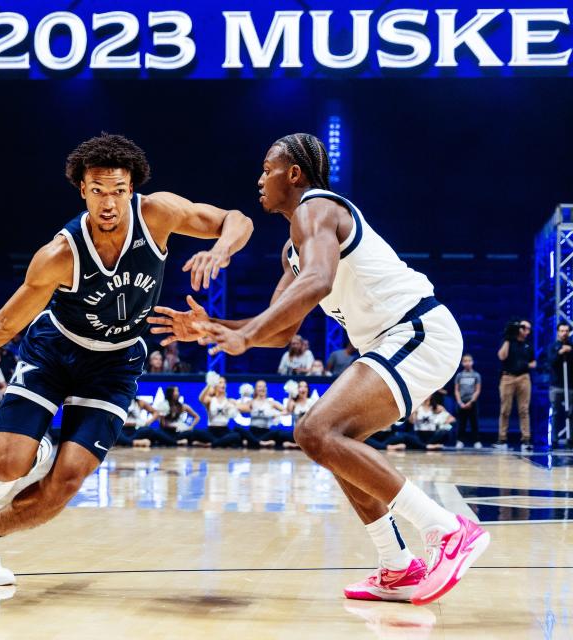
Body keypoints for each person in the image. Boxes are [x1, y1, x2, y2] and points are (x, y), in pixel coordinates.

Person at [149, 132, 488, 606]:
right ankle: (397, 566)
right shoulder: (294, 249)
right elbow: (280, 330)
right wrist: (211, 327)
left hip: (417, 330)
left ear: (294, 174)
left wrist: (243, 337)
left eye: (268, 168)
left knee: (316, 430)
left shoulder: (317, 207)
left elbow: (318, 280)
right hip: (393, 341)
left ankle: (448, 530)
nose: (259, 177)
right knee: (335, 443)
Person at [0, 132, 253, 585]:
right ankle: (34, 449)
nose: (109, 203)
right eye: (98, 191)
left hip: (115, 364)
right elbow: (4, 325)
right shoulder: (59, 255)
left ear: (131, 190)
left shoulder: (157, 215)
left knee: (67, 483)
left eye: (118, 191)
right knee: (7, 467)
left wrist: (220, 248)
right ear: (82, 189)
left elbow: (238, 219)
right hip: (55, 352)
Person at [494, 319, 535, 451]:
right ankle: (502, 439)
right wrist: (507, 337)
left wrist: (525, 365)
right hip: (508, 377)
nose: (525, 330)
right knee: (505, 410)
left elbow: (534, 363)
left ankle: (526, 439)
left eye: (527, 328)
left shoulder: (528, 345)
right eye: (522, 327)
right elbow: (501, 356)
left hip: (523, 377)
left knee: (524, 409)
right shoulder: (508, 342)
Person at [194, 373, 243, 448]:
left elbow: (242, 408)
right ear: (215, 385)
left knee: (237, 436)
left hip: (224, 430)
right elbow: (201, 399)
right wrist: (209, 385)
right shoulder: (211, 400)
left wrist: (235, 407)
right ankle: (222, 443)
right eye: (220, 382)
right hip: (211, 430)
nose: (223, 384)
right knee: (196, 432)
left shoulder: (230, 401)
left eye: (224, 383)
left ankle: (211, 444)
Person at [234, 380, 285, 447]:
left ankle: (252, 442)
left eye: (264, 386)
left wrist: (276, 414)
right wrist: (243, 396)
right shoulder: (251, 402)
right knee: (237, 428)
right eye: (260, 387)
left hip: (266, 432)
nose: (262, 388)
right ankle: (260, 443)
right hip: (253, 431)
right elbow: (239, 408)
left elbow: (286, 410)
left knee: (277, 432)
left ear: (266, 389)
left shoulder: (271, 403)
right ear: (255, 389)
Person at [547, 322, 573, 449]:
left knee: (571, 413)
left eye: (566, 331)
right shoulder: (553, 346)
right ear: (558, 332)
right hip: (556, 385)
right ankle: (555, 439)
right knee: (556, 413)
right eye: (562, 331)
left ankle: (571, 438)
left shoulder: (572, 346)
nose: (564, 333)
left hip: (570, 386)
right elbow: (551, 362)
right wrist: (560, 352)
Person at [454, 354, 482, 449]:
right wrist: (460, 402)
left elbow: (477, 390)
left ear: (472, 362)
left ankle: (476, 441)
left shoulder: (476, 375)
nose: (467, 363)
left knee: (474, 423)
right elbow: (456, 390)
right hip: (462, 403)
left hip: (472, 403)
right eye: (465, 361)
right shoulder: (459, 375)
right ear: (462, 363)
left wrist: (471, 401)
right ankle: (460, 441)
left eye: (469, 361)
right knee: (461, 423)